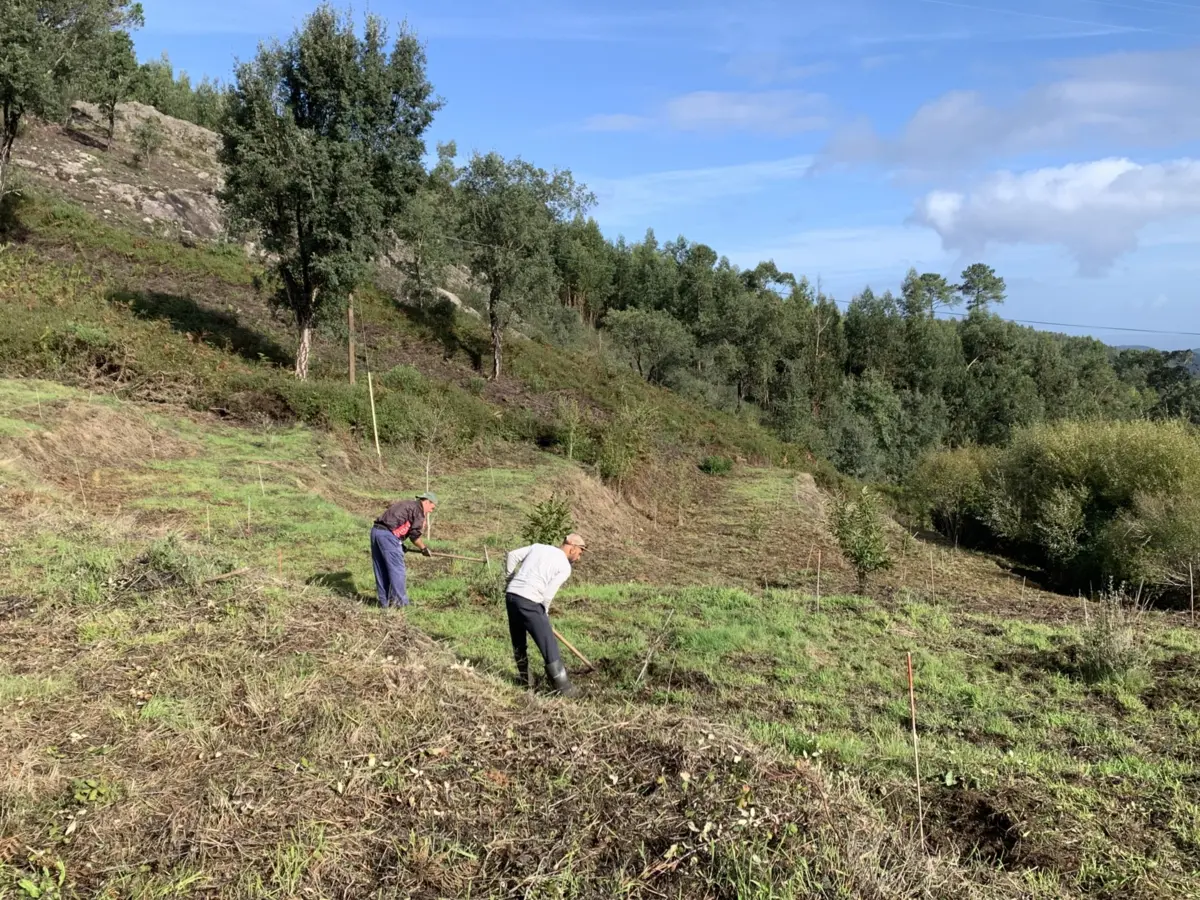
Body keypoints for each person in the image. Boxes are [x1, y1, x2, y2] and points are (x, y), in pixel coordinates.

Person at [504, 533, 586, 697]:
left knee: (518, 640)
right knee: (549, 644)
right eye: (579, 553)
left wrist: (509, 580)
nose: (578, 558)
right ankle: (563, 688)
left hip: (512, 596)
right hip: (530, 601)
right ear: (572, 547)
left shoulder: (538, 547)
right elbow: (548, 595)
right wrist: (544, 614)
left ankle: (525, 681)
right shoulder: (564, 566)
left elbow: (512, 555)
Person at [370, 491, 437, 609]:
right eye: (432, 506)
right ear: (426, 502)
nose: (432, 509)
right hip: (388, 536)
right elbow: (414, 536)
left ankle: (384, 603)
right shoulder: (418, 511)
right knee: (397, 570)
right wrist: (423, 548)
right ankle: (400, 603)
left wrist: (399, 543)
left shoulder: (407, 504)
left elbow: (398, 524)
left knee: (381, 568)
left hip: (376, 532)